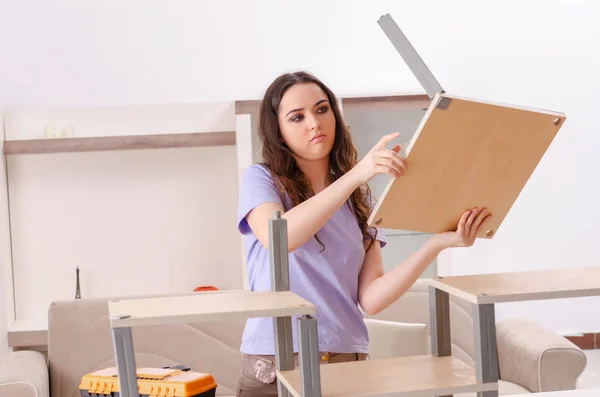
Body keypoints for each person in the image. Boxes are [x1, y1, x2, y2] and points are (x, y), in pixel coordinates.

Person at [235, 71, 491, 396]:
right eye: (297, 117)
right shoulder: (261, 180)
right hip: (275, 364)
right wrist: (357, 174)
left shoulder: (358, 200)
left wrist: (437, 244)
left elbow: (370, 299)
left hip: (348, 361)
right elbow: (280, 237)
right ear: (279, 132)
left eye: (322, 109)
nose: (314, 123)